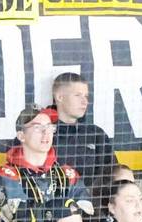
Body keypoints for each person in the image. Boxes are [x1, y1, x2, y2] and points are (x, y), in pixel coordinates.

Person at [0, 108, 87, 222]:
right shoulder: (6, 174)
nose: (46, 133)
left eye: (49, 127)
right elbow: (24, 221)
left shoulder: (68, 173)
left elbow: (85, 215)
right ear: (21, 135)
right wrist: (66, 215)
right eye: (38, 127)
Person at [47, 75, 119, 214]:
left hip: (92, 213)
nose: (84, 101)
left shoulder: (96, 134)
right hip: (53, 214)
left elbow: (114, 175)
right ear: (59, 97)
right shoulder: (42, 133)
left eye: (86, 96)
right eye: (78, 95)